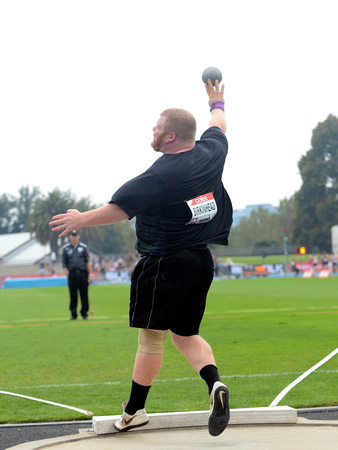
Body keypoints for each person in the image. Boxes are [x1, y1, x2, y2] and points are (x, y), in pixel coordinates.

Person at [50, 78, 233, 437]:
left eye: (158, 125)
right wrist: (217, 101)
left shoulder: (160, 175)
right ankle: (214, 385)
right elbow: (219, 125)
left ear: (169, 137)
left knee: (152, 338)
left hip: (164, 262)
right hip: (200, 261)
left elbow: (120, 208)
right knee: (186, 334)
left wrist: (80, 219)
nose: (153, 127)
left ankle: (134, 411)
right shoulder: (212, 151)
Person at [62, 230, 92, 320]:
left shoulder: (83, 247)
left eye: (75, 235)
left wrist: (89, 275)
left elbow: (88, 262)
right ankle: (73, 314)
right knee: (73, 295)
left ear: (78, 236)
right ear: (70, 237)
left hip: (82, 274)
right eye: (72, 236)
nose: (74, 237)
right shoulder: (66, 248)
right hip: (72, 274)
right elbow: (64, 262)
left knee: (84, 294)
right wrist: (65, 270)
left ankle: (84, 313)